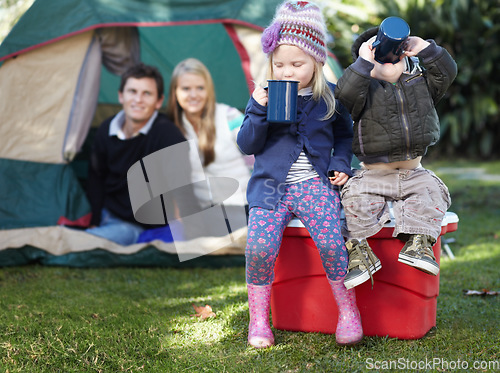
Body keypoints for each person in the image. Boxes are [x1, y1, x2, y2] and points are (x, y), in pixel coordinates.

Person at [236, 1, 363, 348]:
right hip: (270, 187)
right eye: (279, 64)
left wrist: (340, 164)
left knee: (332, 243)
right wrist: (259, 110)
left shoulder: (328, 98)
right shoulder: (263, 96)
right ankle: (259, 320)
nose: (287, 71)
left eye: (297, 64)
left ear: (317, 62)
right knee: (259, 248)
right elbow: (247, 144)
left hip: (314, 184)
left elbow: (344, 135)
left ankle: (348, 312)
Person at [334, 21, 457, 289]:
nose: (388, 59)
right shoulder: (362, 92)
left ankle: (418, 244)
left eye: (395, 54)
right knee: (353, 199)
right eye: (377, 57)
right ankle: (359, 253)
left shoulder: (420, 85)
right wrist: (364, 63)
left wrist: (425, 49)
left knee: (434, 192)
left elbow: (446, 73)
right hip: (372, 175)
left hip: (414, 173)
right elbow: (344, 92)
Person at [86, 63, 193, 246]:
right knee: (92, 237)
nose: (138, 100)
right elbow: (96, 177)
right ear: (121, 96)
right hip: (110, 213)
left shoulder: (167, 134)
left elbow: (181, 185)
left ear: (159, 101)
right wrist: (94, 221)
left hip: (140, 225)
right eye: (132, 91)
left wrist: (181, 229)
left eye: (147, 94)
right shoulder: (106, 129)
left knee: (105, 238)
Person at [165, 58, 252, 212]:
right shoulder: (169, 129)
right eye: (186, 89)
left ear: (209, 90)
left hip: (243, 204)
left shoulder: (228, 116)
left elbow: (254, 160)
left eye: (200, 88)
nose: (193, 95)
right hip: (204, 212)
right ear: (175, 92)